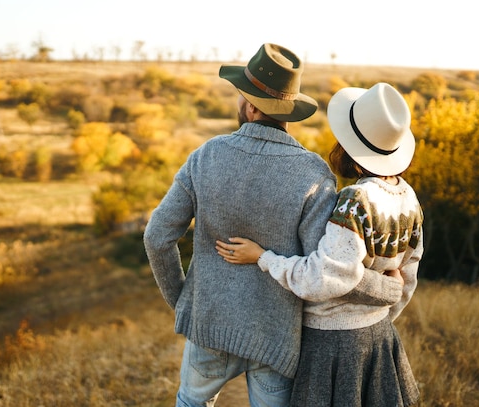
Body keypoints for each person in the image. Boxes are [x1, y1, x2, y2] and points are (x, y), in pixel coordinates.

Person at [143, 44, 404, 407]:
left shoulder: (205, 157)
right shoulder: (314, 174)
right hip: (276, 336)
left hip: (210, 323)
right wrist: (387, 290)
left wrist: (185, 302)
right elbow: (328, 270)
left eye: (240, 97)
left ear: (251, 106)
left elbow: (157, 237)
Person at [216, 82, 423, 406]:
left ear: (351, 152)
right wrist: (381, 315)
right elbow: (407, 274)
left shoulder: (355, 202)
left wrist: (263, 257)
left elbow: (322, 277)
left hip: (333, 342)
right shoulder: (409, 199)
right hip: (381, 335)